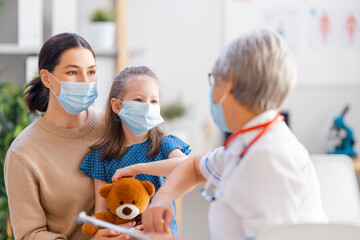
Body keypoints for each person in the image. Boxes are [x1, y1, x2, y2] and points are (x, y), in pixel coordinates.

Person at [141, 30, 328, 240]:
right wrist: (162, 198)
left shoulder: (267, 159)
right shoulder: (250, 142)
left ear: (228, 82)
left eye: (214, 80)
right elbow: (194, 168)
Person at [4, 32, 131, 240]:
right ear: (46, 78)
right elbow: (29, 235)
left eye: (91, 72)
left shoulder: (115, 127)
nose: (85, 81)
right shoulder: (23, 153)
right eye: (73, 72)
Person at [80, 66, 190, 237]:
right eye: (138, 100)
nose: (147, 107)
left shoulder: (165, 145)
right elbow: (102, 216)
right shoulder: (101, 158)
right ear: (117, 106)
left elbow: (186, 166)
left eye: (154, 101)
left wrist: (137, 168)